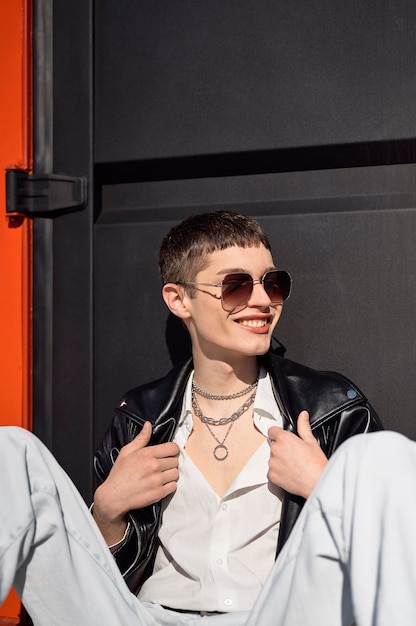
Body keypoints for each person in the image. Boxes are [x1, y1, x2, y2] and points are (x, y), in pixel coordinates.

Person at [1, 210, 391, 626]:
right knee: (11, 451)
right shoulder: (141, 418)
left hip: (278, 615)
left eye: (273, 283)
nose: (262, 301)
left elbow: (393, 555)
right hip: (145, 619)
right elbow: (86, 580)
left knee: (398, 458)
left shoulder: (332, 408)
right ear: (178, 299)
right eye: (236, 286)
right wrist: (107, 512)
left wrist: (324, 487)